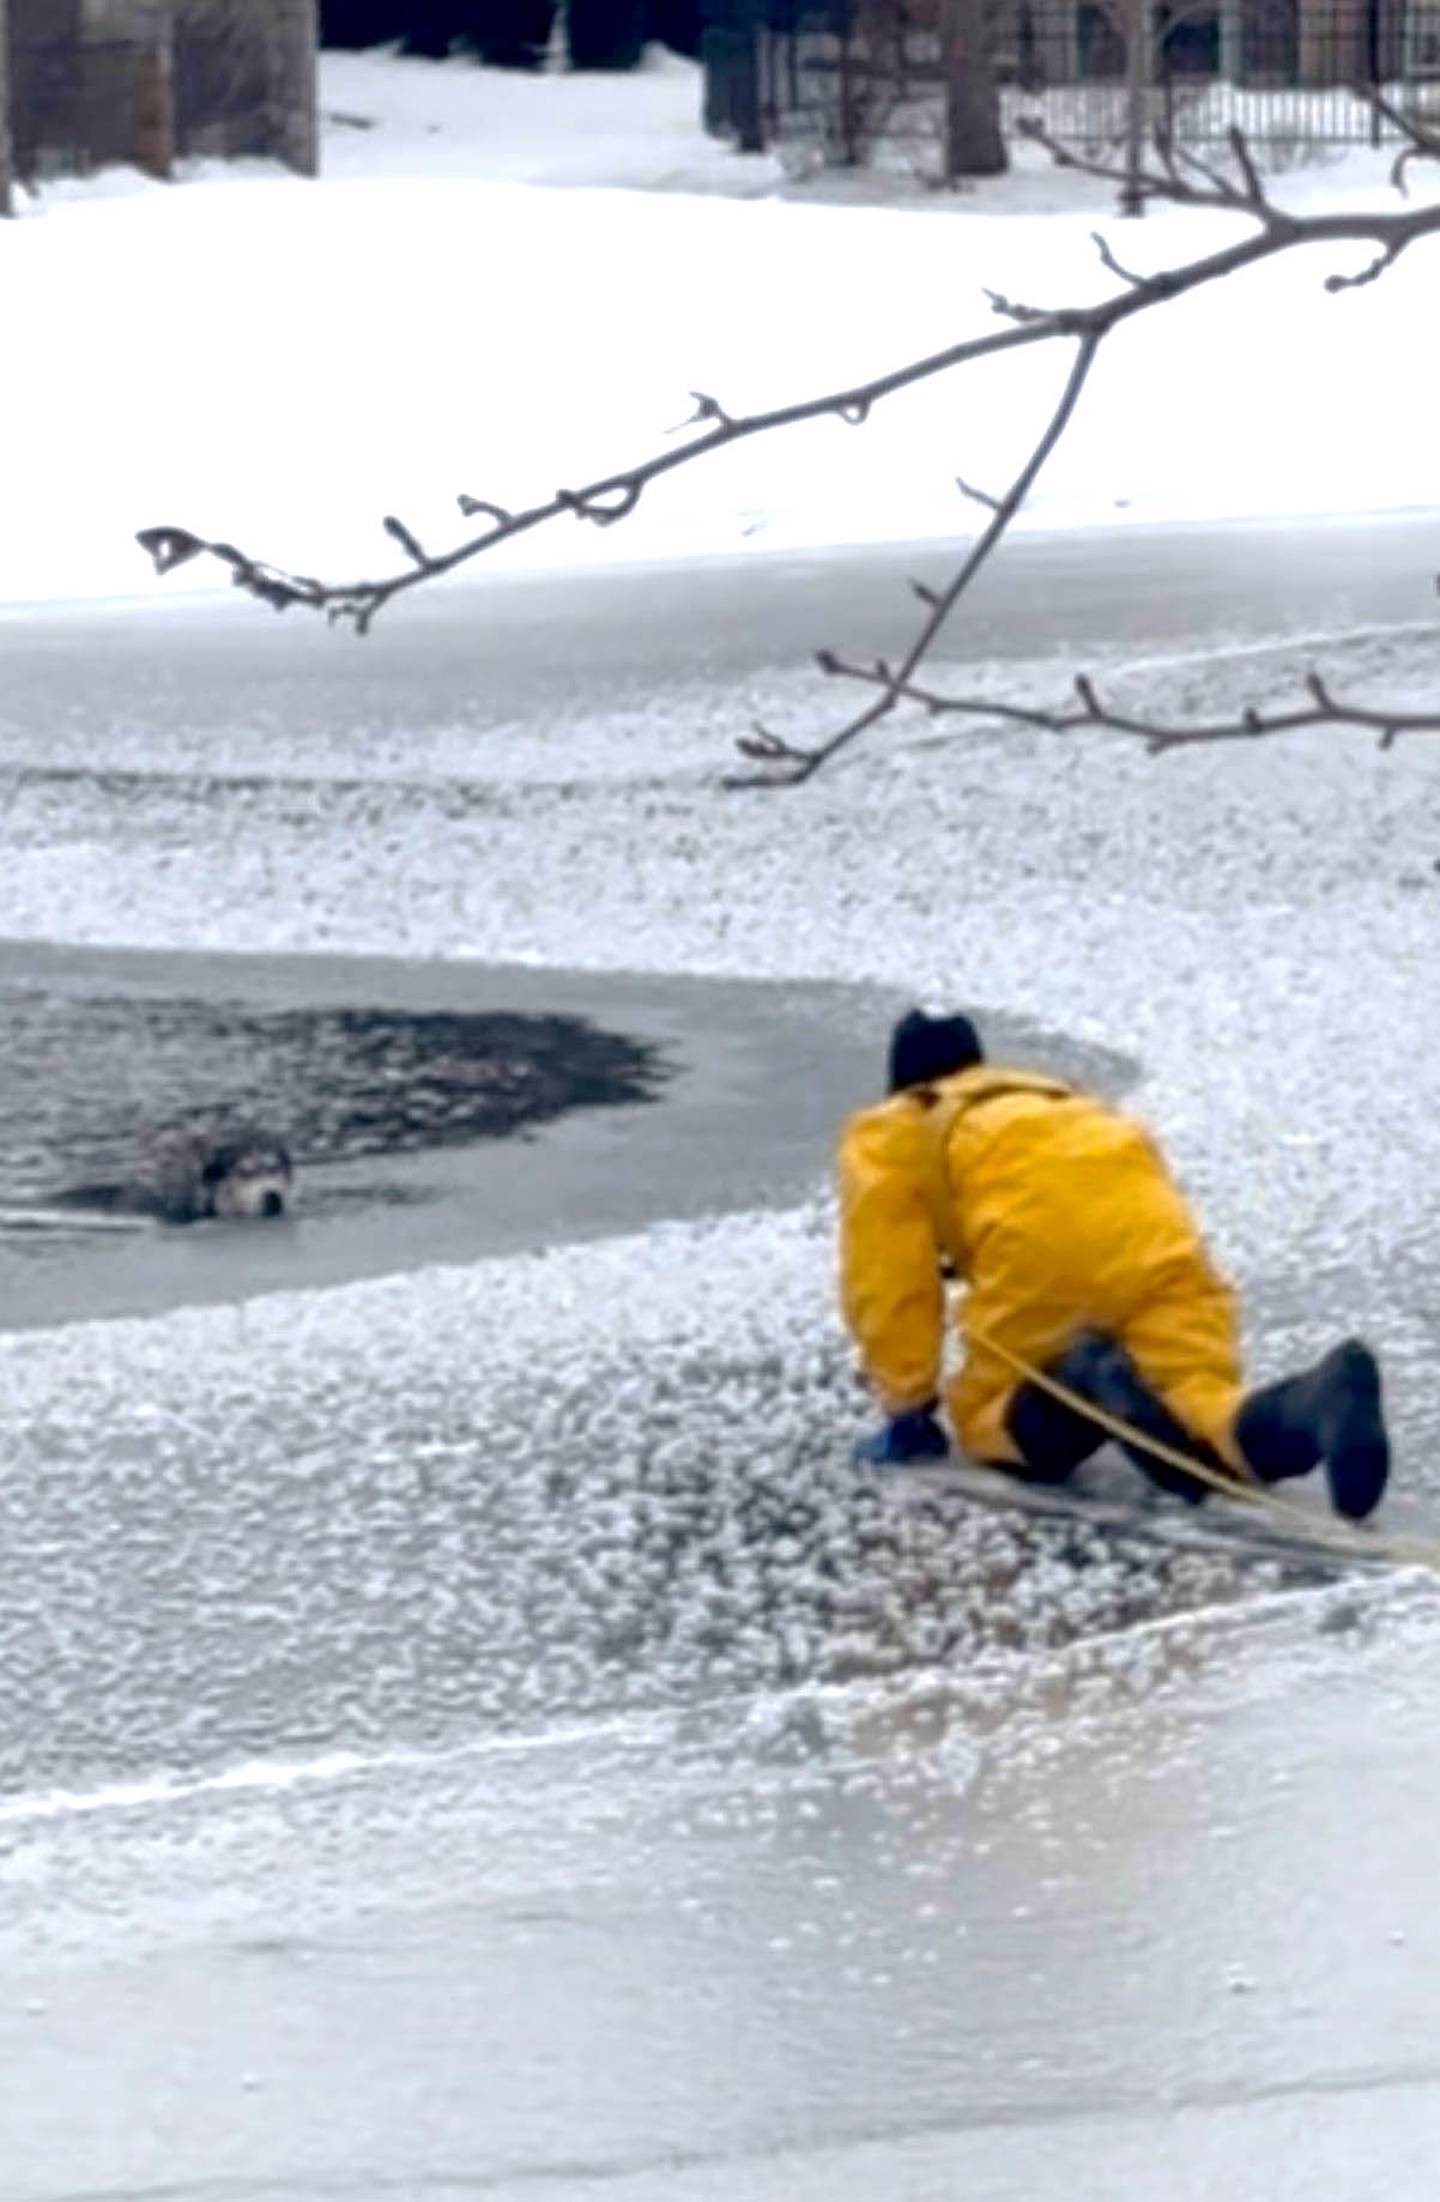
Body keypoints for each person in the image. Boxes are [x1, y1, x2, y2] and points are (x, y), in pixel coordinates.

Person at [837, 1009, 1390, 1521]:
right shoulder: (1064, 1101)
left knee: (986, 1418)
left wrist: (907, 1403)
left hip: (1040, 1253)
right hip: (1155, 1247)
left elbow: (888, 1280)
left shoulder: (896, 1126)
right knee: (1199, 1416)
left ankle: (1081, 1381)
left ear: (902, 1083)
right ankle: (1320, 1398)